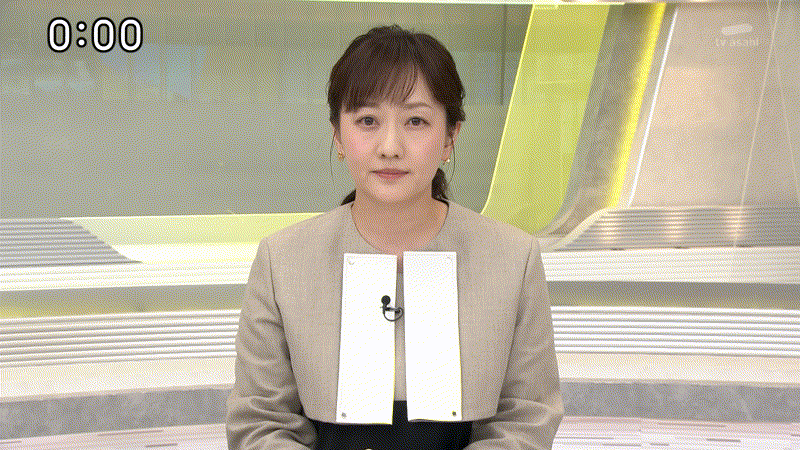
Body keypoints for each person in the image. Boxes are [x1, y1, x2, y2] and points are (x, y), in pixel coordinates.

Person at [226, 25, 563, 449]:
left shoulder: (513, 258)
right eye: (367, 121)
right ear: (338, 135)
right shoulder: (283, 260)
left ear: (450, 137)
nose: (390, 146)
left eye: (415, 121)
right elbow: (260, 422)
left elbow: (526, 418)